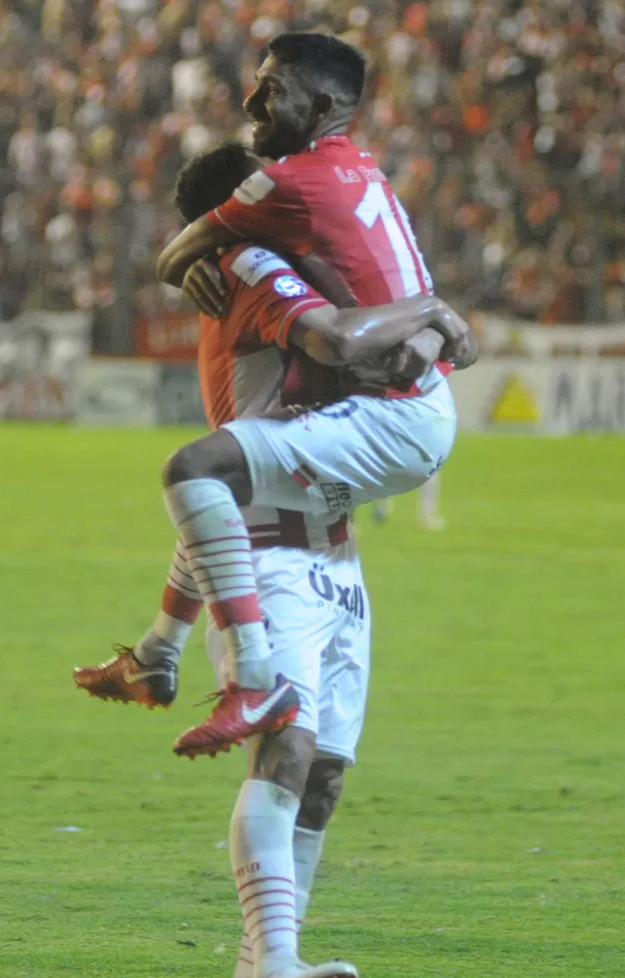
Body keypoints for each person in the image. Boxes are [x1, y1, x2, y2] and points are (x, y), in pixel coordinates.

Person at [75, 143, 471, 978]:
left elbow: (221, 503)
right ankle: (279, 967)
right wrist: (429, 313)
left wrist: (163, 639)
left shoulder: (258, 270)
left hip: (331, 554)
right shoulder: (253, 270)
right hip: (281, 558)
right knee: (285, 754)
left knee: (321, 773)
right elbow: (344, 348)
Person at [149, 33, 459, 753]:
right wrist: (437, 319)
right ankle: (161, 653)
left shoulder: (276, 200)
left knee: (198, 473)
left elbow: (340, 340)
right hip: (408, 424)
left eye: (269, 88)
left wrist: (187, 260)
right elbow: (415, 322)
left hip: (391, 424)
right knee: (313, 773)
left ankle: (243, 676)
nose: (252, 101)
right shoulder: (365, 173)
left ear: (320, 104)